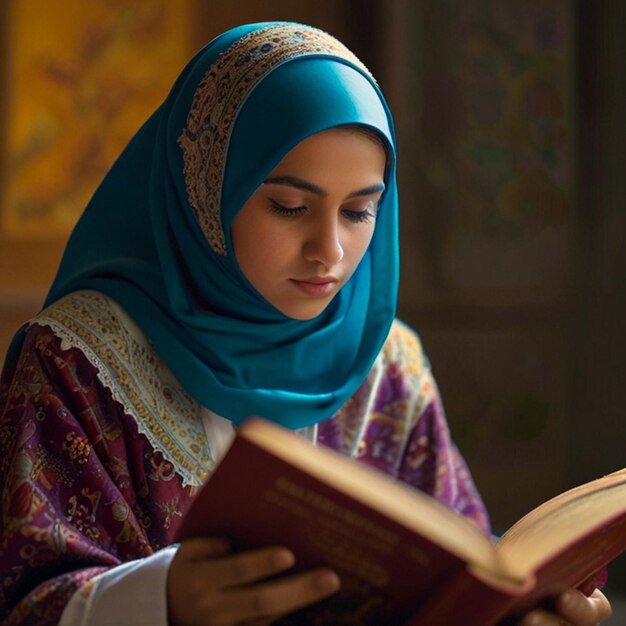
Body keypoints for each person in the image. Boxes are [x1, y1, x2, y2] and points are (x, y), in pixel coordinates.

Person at [0, 21, 612, 626]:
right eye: (290, 206)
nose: (331, 252)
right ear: (208, 189)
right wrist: (161, 600)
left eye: (358, 211)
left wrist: (525, 611)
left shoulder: (386, 362)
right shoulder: (78, 361)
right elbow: (22, 596)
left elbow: (462, 565)